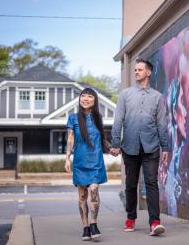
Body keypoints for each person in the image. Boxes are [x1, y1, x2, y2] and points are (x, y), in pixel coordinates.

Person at [110, 58, 169, 236]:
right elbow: (118, 120)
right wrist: (115, 144)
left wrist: (165, 147)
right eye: (135, 70)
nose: (136, 72)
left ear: (148, 72)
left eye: (140, 69)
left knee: (151, 183)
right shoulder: (125, 95)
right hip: (129, 147)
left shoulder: (158, 97)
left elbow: (162, 124)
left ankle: (155, 222)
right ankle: (130, 217)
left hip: (151, 147)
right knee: (130, 184)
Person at [65, 88, 108, 241]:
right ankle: (85, 227)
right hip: (80, 162)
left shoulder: (98, 118)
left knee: (94, 190)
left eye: (89, 96)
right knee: (82, 196)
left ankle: (94, 224)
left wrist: (115, 149)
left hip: (96, 161)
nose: (86, 98)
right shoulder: (73, 118)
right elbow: (70, 139)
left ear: (95, 101)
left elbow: (101, 139)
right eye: (83, 96)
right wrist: (67, 157)